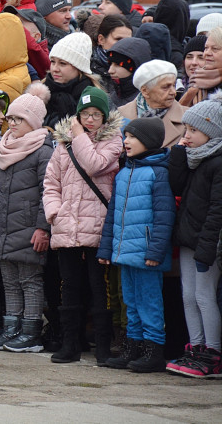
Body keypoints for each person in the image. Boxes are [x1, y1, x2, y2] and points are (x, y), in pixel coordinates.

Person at [42, 86, 123, 365]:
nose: (89, 120)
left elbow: (92, 164)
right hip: (68, 227)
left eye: (95, 115)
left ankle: (102, 347)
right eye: (85, 114)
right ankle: (70, 344)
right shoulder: (62, 146)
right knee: (70, 287)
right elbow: (51, 183)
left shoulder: (113, 142)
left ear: (105, 117)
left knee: (98, 289)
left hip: (98, 227)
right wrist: (55, 213)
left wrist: (77, 135)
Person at [97, 117, 175, 373]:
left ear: (149, 141)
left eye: (132, 137)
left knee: (149, 301)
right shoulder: (124, 172)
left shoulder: (159, 173)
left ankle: (154, 350)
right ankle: (133, 347)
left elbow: (164, 216)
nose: (125, 141)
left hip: (146, 253)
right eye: (125, 136)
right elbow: (113, 215)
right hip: (124, 251)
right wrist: (107, 248)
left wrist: (156, 251)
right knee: (130, 300)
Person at [0, 90, 54, 353]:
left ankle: (30, 331)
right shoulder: (4, 147)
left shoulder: (43, 151)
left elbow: (49, 191)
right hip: (3, 226)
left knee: (30, 280)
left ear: (33, 122)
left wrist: (43, 228)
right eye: (10, 119)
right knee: (9, 281)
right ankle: (12, 329)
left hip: (29, 227)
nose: (11, 124)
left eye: (18, 120)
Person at [165, 98, 222, 378]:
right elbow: (176, 185)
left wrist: (207, 246)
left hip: (207, 243)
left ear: (212, 133)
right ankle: (196, 347)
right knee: (188, 296)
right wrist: (178, 153)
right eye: (185, 129)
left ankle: (213, 352)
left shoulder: (217, 162)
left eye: (192, 131)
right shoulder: (194, 158)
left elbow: (217, 210)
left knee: (204, 296)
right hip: (188, 238)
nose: (186, 136)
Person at [119, 61, 186, 148]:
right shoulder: (120, 116)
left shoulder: (187, 117)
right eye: (166, 87)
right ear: (145, 91)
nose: (173, 92)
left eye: (174, 85)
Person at [44, 32, 101, 128]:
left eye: (62, 63)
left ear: (79, 68)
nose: (55, 69)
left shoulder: (93, 98)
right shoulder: (40, 92)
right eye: (53, 62)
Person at [106, 37, 152, 108]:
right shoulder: (110, 99)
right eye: (110, 64)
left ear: (136, 68)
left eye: (118, 65)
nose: (110, 71)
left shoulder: (149, 103)